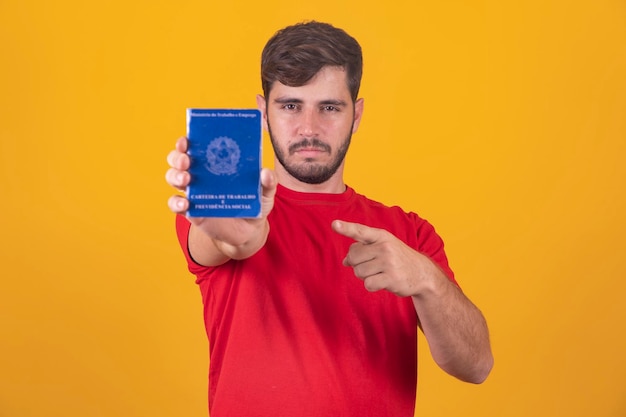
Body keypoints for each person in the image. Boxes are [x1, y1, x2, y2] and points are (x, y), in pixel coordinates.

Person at [165, 20, 493, 417]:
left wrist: (426, 279)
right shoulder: (220, 209)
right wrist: (237, 236)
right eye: (290, 106)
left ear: (355, 115)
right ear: (262, 113)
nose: (309, 128)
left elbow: (476, 366)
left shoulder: (407, 234)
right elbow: (229, 240)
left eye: (329, 108)